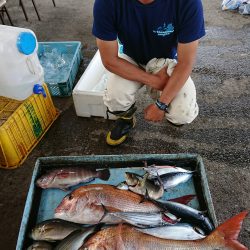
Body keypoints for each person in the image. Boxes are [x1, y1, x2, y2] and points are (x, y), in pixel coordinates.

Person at [92, 0, 205, 146]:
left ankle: (172, 118)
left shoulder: (188, 3)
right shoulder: (106, 3)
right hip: (130, 58)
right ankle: (126, 119)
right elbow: (109, 60)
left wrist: (161, 105)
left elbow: (186, 63)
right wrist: (155, 81)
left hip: (166, 62)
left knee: (182, 114)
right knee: (115, 97)